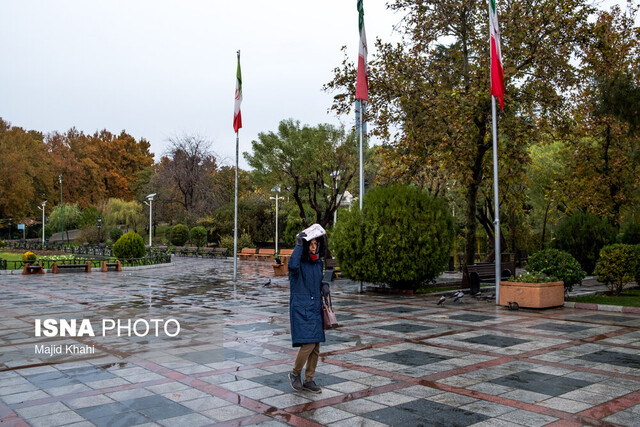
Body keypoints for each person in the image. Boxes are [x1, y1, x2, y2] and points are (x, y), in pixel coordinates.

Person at [287, 230, 330, 393]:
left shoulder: (318, 263)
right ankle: (295, 373)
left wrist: (324, 285)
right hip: (301, 308)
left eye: (315, 244)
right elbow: (291, 265)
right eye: (310, 244)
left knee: (316, 345)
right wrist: (299, 245)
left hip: (315, 308)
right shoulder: (299, 263)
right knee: (309, 343)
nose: (313, 247)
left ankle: (309, 379)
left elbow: (318, 281)